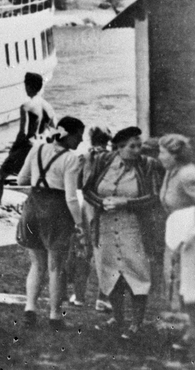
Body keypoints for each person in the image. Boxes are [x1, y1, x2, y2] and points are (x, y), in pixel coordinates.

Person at [81, 127, 161, 338]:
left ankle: (136, 323)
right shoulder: (102, 161)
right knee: (110, 272)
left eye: (139, 145)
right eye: (132, 146)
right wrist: (101, 203)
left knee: (137, 273)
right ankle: (118, 318)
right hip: (105, 226)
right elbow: (87, 190)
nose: (137, 150)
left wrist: (126, 203)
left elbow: (154, 197)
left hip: (133, 227)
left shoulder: (147, 165)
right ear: (119, 147)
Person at [16, 116, 85, 330]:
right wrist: (80, 223)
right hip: (56, 211)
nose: (81, 140)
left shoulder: (37, 148)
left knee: (37, 264)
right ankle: (55, 316)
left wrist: (41, 178)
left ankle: (29, 310)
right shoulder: (71, 158)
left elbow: (21, 179)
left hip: (33, 206)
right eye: (79, 136)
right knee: (56, 267)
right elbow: (71, 197)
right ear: (68, 135)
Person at [158, 134, 195, 348]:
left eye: (162, 152)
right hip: (180, 232)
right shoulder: (171, 171)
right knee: (183, 280)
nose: (159, 157)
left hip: (194, 234)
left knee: (193, 282)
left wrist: (187, 218)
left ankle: (194, 333)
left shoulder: (188, 174)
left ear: (175, 155)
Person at [0, 73, 55, 218]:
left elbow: (23, 133)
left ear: (29, 86)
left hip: (27, 147)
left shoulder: (26, 106)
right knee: (38, 180)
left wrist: (13, 150)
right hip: (42, 147)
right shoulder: (48, 107)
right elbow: (55, 132)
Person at [71, 126, 115, 311]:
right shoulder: (113, 157)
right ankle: (103, 297)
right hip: (106, 206)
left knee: (83, 251)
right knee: (105, 253)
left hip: (88, 205)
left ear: (91, 138)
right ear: (108, 140)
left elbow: (78, 183)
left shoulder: (85, 156)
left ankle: (79, 296)